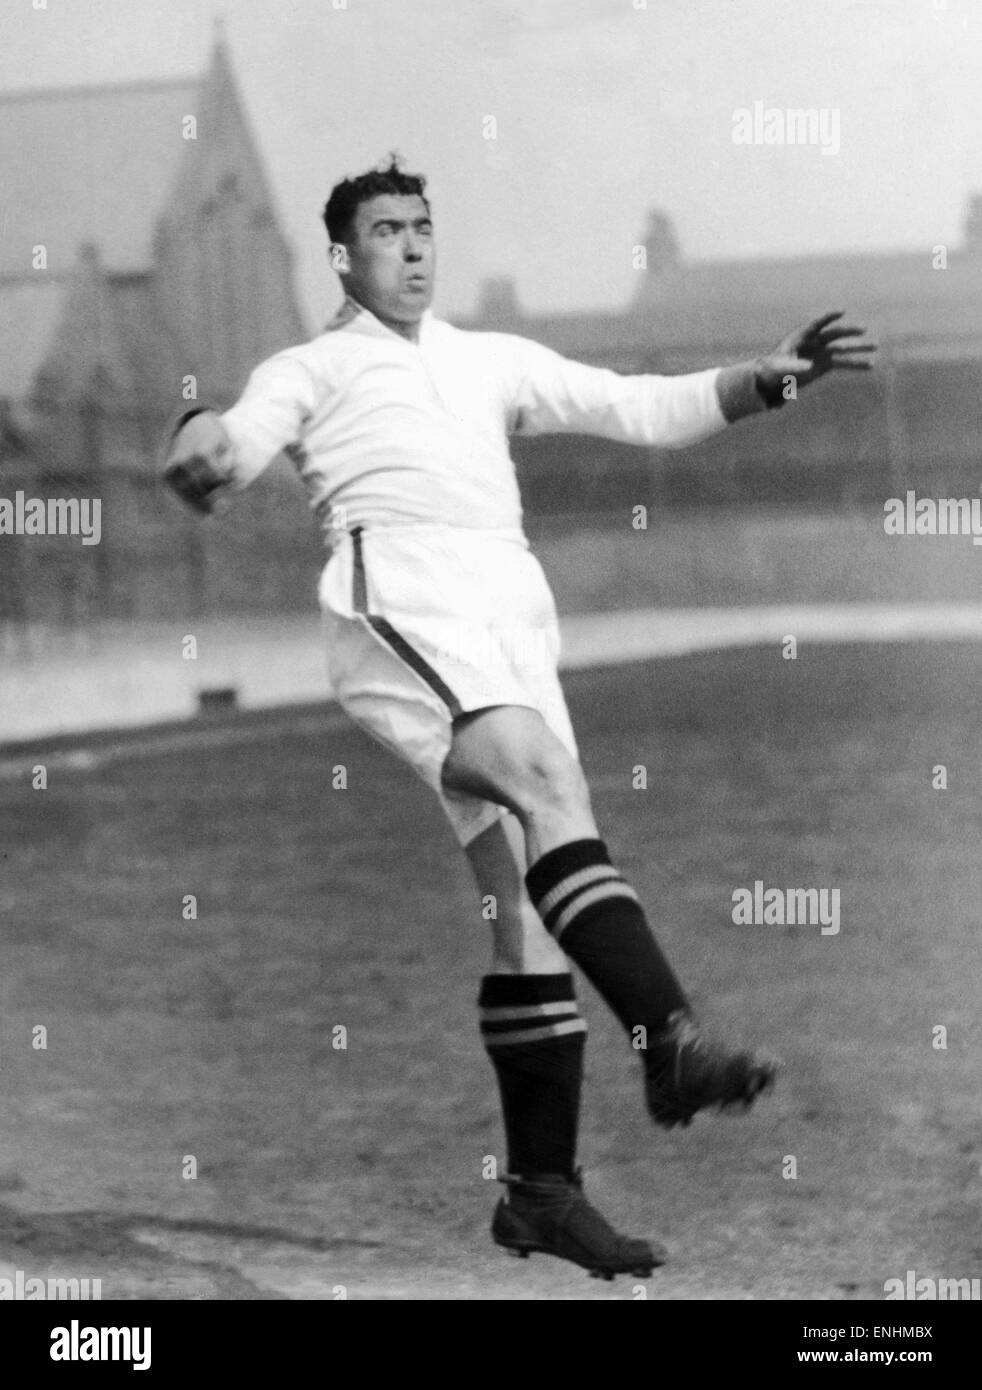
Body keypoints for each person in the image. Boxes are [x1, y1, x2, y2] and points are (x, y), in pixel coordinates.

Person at [164, 156, 875, 1280]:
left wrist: (770, 379)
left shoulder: (490, 360)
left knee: (526, 908)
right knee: (545, 780)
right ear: (343, 256)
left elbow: (639, 407)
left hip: (506, 621)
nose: (411, 247)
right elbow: (238, 439)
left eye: (422, 227)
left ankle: (540, 1193)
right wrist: (202, 442)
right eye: (386, 231)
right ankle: (670, 1042)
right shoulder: (312, 367)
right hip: (400, 608)